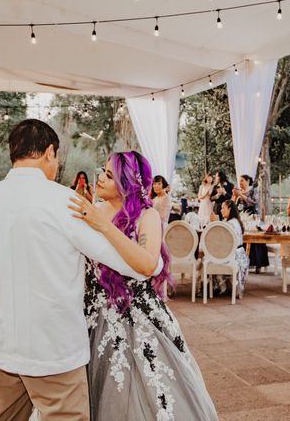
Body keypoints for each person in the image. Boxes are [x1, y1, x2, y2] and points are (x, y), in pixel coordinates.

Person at [0, 119, 160, 421]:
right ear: (50, 152)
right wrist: (146, 265)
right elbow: (129, 264)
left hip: (2, 347)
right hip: (55, 351)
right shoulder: (66, 202)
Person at [68, 151, 218, 421]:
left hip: (139, 315)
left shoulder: (146, 216)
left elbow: (148, 265)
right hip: (92, 318)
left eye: (109, 175)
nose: (100, 177)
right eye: (102, 170)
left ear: (127, 184)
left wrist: (104, 226)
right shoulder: (91, 211)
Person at [233, 175, 269, 272]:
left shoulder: (254, 190)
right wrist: (235, 196)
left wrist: (241, 195)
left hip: (253, 217)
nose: (240, 183)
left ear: (248, 181)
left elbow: (254, 202)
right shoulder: (239, 193)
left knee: (255, 240)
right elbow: (236, 207)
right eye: (239, 181)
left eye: (242, 181)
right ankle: (245, 263)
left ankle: (259, 264)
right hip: (242, 218)